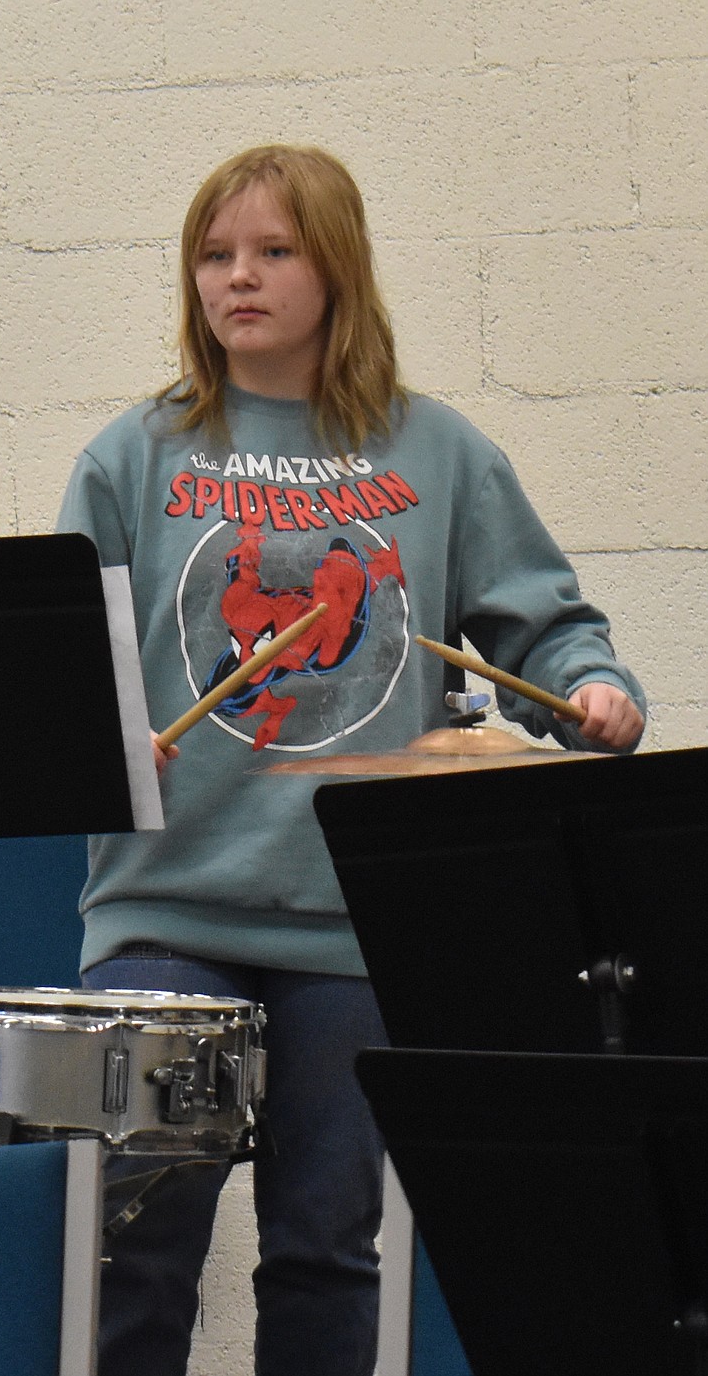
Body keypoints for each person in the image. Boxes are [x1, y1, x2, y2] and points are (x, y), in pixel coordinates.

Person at [56, 143, 646, 1376]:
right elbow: (57, 677)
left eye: (274, 251)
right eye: (216, 256)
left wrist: (592, 688)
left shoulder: (436, 453)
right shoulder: (133, 455)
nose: (240, 278)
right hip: (168, 904)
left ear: (339, 269)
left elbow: (549, 626)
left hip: (355, 918)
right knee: (139, 1239)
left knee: (327, 1244)